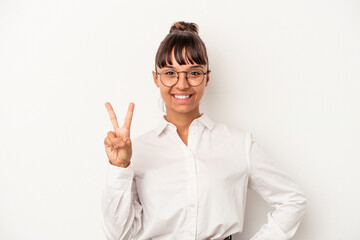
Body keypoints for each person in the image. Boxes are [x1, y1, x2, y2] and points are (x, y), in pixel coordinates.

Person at [101, 21, 307, 240]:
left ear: (207, 77)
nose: (182, 84)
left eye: (194, 73)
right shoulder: (137, 151)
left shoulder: (238, 144)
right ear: (156, 78)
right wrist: (120, 166)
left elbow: (292, 200)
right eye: (170, 73)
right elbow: (118, 235)